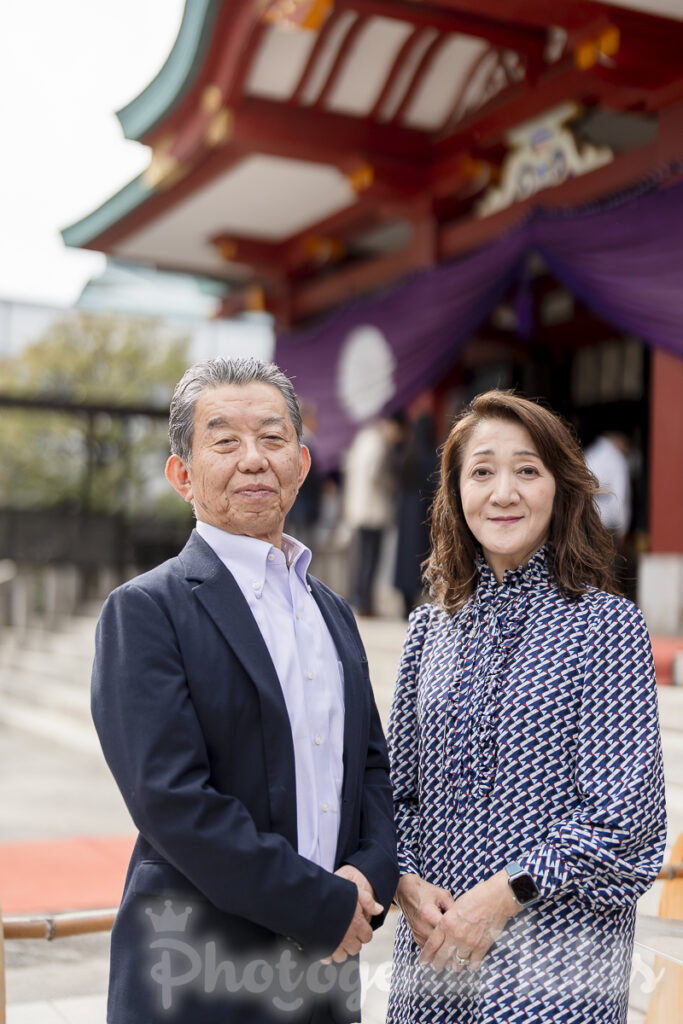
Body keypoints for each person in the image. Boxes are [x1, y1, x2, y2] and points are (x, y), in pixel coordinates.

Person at [91, 357, 398, 1024]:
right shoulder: (146, 610)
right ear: (182, 475)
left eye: (272, 437)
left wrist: (368, 877)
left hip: (323, 975)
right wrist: (321, 906)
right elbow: (172, 801)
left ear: (302, 463)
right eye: (224, 441)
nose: (253, 459)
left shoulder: (333, 611)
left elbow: (368, 766)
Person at [386, 390, 666, 1024]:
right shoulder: (431, 629)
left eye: (527, 470)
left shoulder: (607, 627)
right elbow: (396, 792)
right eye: (482, 471)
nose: (503, 492)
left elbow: (628, 828)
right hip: (433, 965)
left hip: (554, 973)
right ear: (456, 492)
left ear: (560, 488)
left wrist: (504, 895)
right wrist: (404, 879)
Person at [343, 416, 403, 616]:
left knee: (361, 558)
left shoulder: (362, 440)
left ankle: (359, 599)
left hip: (359, 510)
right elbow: (377, 476)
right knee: (371, 559)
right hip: (375, 510)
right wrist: (393, 487)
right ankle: (365, 603)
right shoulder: (380, 444)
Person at [584, 431, 631, 539]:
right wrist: (623, 526)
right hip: (609, 523)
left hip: (589, 520)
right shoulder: (617, 459)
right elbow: (620, 494)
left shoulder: (590, 453)